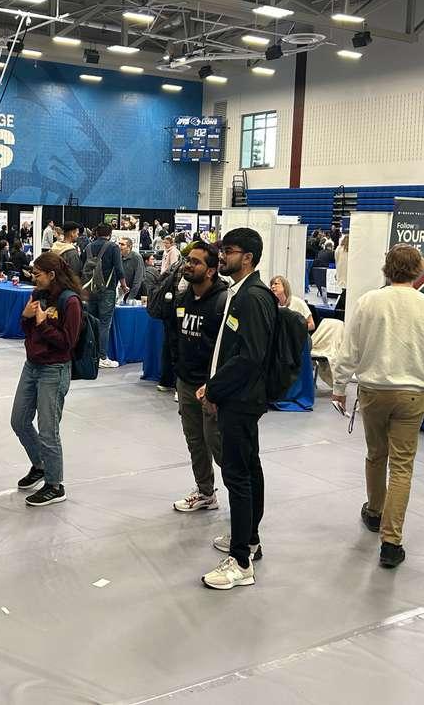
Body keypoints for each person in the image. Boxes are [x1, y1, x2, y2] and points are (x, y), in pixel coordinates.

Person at [333, 245, 424, 569]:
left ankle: (374, 510)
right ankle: (391, 541)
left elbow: (349, 350)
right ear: (417, 270)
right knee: (402, 466)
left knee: (375, 454)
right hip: (412, 393)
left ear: (386, 269)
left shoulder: (368, 302)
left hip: (373, 391)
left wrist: (340, 387)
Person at [198, 228, 277, 591]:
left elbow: (251, 355)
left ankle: (241, 559)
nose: (222, 257)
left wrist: (215, 387)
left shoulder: (252, 297)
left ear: (247, 257)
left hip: (241, 399)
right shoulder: (241, 292)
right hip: (238, 396)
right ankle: (250, 539)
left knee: (238, 475)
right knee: (248, 468)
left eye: (228, 251)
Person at [9, 252, 83, 507]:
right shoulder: (37, 295)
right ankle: (40, 464)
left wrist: (41, 323)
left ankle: (55, 484)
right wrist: (27, 318)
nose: (33, 278)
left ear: (51, 275)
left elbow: (67, 342)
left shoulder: (70, 301)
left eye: (38, 274)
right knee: (19, 420)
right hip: (32, 366)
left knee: (49, 429)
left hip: (54, 369)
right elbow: (26, 330)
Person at [169, 242, 227, 513]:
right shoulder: (182, 298)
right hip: (186, 382)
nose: (188, 265)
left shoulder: (223, 301)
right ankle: (205, 492)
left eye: (196, 262)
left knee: (220, 446)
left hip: (212, 388)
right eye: (187, 260)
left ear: (212, 271)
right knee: (195, 442)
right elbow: (161, 317)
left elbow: (227, 350)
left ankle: (242, 505)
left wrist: (213, 386)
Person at [84, 223, 127, 369]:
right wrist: (124, 285)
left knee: (91, 322)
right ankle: (102, 357)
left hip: (90, 290)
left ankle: (90, 355)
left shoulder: (88, 247)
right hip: (107, 290)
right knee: (104, 324)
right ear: (109, 234)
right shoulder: (113, 247)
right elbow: (119, 269)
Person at [119, 237, 144, 301]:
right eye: (119, 244)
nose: (120, 246)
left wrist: (130, 297)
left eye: (122, 244)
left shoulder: (137, 258)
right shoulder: (118, 257)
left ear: (129, 247)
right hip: (122, 293)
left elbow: (138, 280)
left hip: (135, 294)